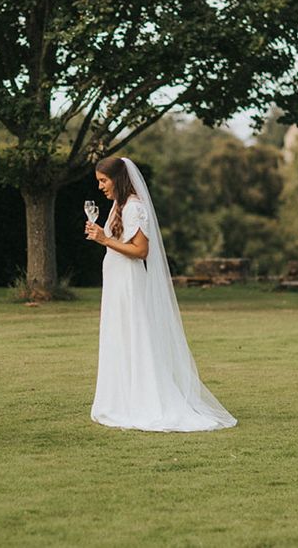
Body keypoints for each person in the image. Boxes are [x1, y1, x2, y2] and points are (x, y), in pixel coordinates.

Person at [85, 157, 236, 432]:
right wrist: (102, 237)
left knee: (134, 335)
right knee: (118, 336)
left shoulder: (134, 208)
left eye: (103, 181)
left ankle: (144, 400)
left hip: (129, 282)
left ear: (117, 179)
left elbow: (141, 251)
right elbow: (120, 244)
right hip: (116, 282)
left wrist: (104, 240)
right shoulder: (117, 207)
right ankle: (121, 399)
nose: (100, 187)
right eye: (98, 181)